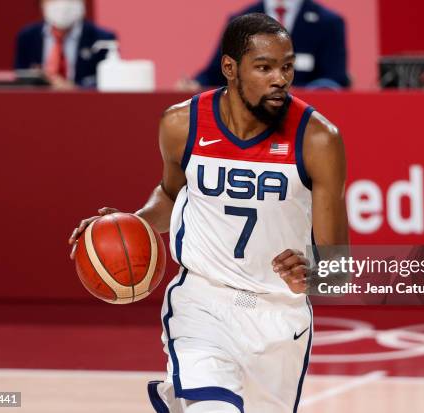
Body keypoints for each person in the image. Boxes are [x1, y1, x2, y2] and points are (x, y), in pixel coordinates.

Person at [69, 13, 348, 412]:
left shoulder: (318, 139)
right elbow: (170, 195)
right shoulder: (182, 123)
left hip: (278, 316)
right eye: (264, 67)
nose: (280, 79)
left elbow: (337, 269)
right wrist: (133, 223)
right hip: (203, 302)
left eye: (286, 67)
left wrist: (312, 273)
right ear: (230, 68)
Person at [179, 0, 350, 91]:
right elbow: (217, 72)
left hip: (305, 118)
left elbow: (334, 80)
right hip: (251, 115)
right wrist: (195, 84)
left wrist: (293, 92)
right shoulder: (240, 19)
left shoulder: (329, 23)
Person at [14, 0, 116, 88]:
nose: (63, 5)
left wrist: (76, 88)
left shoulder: (103, 39)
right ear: (42, 3)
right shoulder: (27, 37)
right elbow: (20, 79)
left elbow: (107, 84)